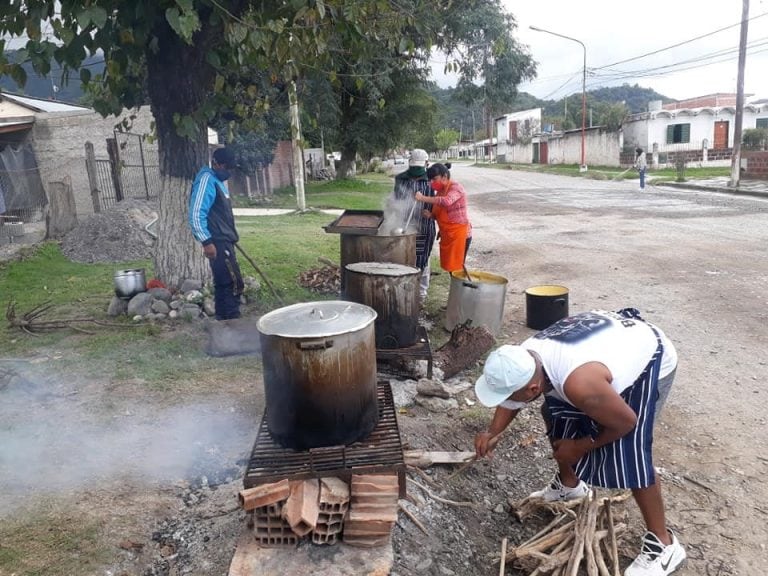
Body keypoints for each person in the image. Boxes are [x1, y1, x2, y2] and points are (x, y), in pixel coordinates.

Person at [473, 308, 686, 576]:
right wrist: (494, 432)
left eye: (507, 393)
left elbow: (625, 423)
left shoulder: (579, 384)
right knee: (554, 413)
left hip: (650, 358)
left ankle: (664, 546)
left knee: (630, 452)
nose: (505, 400)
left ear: (533, 389)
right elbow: (514, 397)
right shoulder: (526, 358)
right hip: (602, 354)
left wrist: (581, 445)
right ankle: (570, 486)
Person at [188, 147, 244, 320]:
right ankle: (231, 323)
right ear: (216, 163)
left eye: (230, 169)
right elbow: (196, 213)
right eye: (226, 168)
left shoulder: (217, 181)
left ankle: (224, 323)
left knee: (225, 282)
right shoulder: (206, 180)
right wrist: (207, 242)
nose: (228, 172)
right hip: (217, 243)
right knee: (231, 283)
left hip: (225, 241)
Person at [392, 149, 436, 300]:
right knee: (404, 257)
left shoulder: (432, 180)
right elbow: (396, 200)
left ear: (426, 164)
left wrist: (431, 211)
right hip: (405, 225)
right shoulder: (401, 179)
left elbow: (440, 201)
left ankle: (422, 293)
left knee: (423, 258)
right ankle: (405, 288)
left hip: (425, 225)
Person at [415, 162, 472, 273]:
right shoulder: (440, 192)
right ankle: (458, 289)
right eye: (430, 180)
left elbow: (446, 202)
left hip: (460, 235)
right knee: (452, 270)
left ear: (444, 176)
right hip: (448, 235)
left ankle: (462, 290)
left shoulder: (456, 188)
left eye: (434, 179)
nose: (432, 183)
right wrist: (431, 215)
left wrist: (422, 198)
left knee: (457, 270)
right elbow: (442, 213)